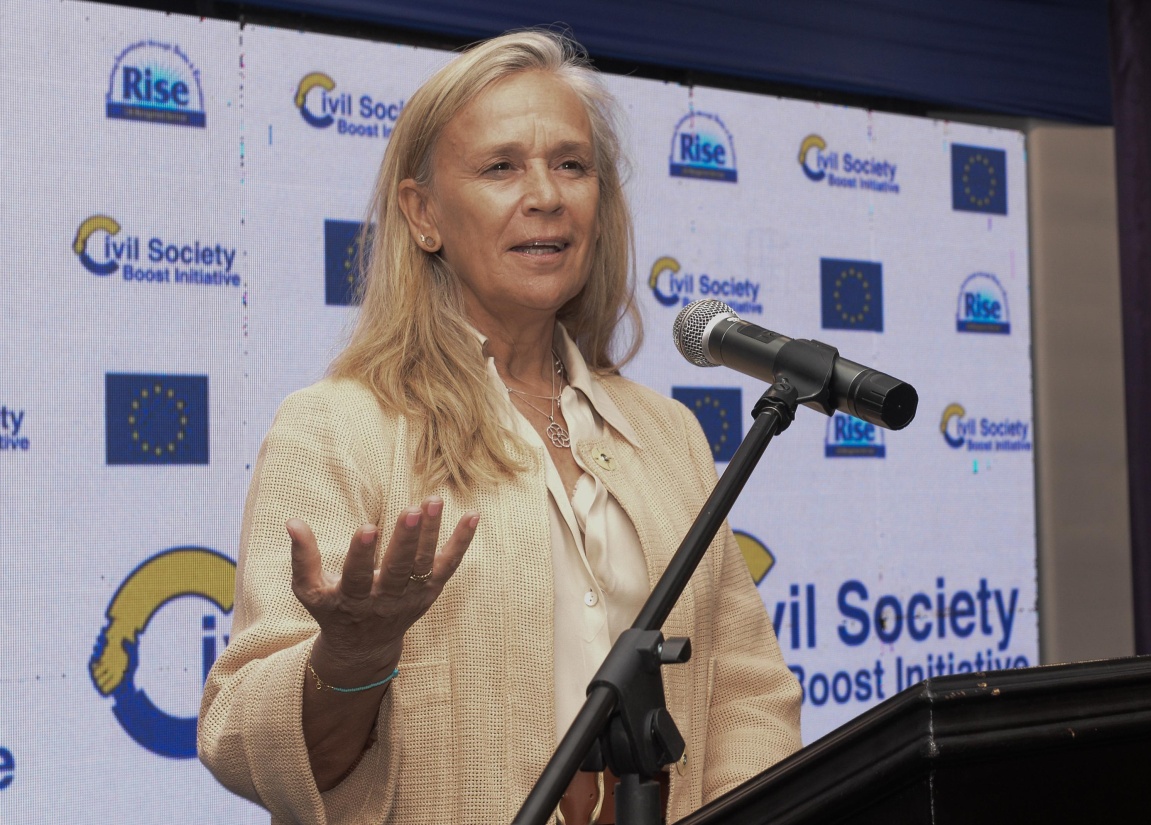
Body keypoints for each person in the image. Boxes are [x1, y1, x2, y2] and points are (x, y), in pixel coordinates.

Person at [198, 29, 801, 825]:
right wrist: (349, 662)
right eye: (501, 167)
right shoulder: (336, 426)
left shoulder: (666, 431)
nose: (546, 194)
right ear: (423, 215)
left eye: (572, 165)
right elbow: (243, 742)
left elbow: (748, 689)